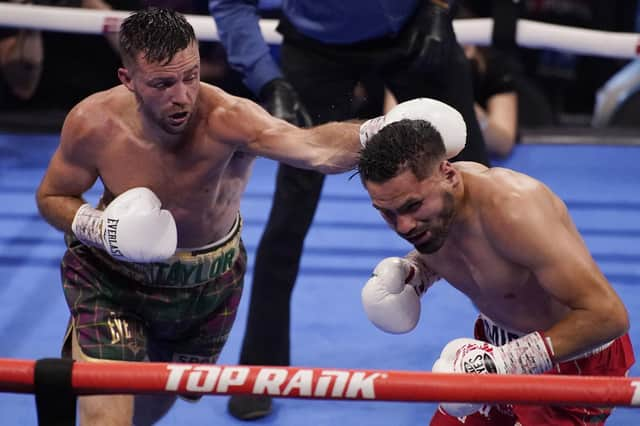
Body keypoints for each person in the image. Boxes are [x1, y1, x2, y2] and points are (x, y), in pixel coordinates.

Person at [34, 8, 444, 425]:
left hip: (206, 285)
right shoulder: (93, 123)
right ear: (128, 80)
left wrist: (384, 130)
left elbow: (313, 148)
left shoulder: (227, 117)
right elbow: (52, 195)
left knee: (146, 410)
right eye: (162, 83)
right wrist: (100, 227)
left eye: (191, 75)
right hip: (112, 279)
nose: (182, 96)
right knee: (107, 418)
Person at [208, 0, 491, 418]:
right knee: (291, 209)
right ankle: (259, 371)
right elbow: (232, 4)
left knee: (477, 190)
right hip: (316, 48)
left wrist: (438, 7)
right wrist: (268, 81)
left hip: (415, 28)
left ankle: (521, 355)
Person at [358, 107, 635, 425]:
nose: (404, 226)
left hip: (574, 357)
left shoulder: (514, 211)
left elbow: (610, 316)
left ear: (449, 175)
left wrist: (508, 362)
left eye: (412, 206)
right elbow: (475, 250)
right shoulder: (430, 209)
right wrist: (416, 273)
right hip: (493, 347)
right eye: (387, 212)